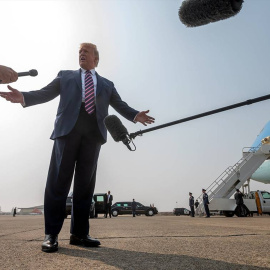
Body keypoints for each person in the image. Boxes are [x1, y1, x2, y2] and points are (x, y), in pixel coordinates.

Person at [0, 43, 155, 253]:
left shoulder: (107, 84)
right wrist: (24, 97)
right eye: (79, 52)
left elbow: (120, 104)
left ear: (96, 59)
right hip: (67, 132)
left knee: (85, 186)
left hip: (93, 135)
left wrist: (135, 115)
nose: (81, 54)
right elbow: (46, 93)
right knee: (58, 183)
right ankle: (51, 235)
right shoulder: (65, 76)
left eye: (86, 52)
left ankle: (79, 234)